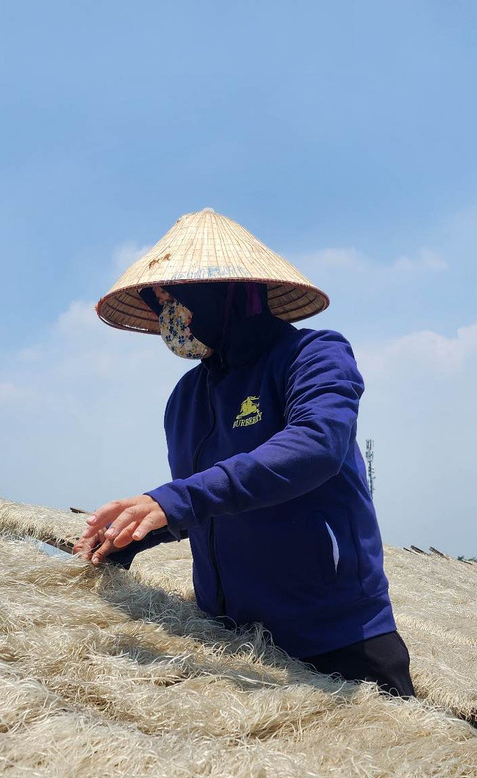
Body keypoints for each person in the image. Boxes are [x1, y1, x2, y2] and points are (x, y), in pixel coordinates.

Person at [74, 208, 414, 700]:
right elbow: (204, 507)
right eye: (157, 301)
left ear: (227, 294)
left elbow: (316, 445)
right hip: (231, 642)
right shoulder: (185, 399)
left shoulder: (313, 357)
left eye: (175, 299)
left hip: (337, 638)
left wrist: (174, 500)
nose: (166, 314)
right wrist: (135, 534)